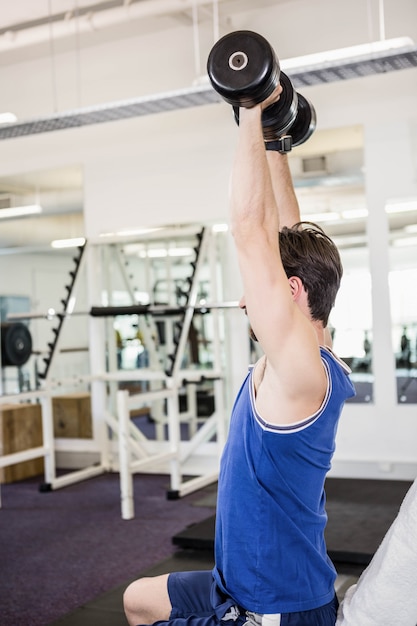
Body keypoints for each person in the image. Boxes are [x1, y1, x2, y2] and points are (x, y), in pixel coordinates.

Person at [123, 84, 356, 626]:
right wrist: (275, 141)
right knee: (138, 600)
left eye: (264, 288)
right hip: (236, 579)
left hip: (276, 605)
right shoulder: (308, 350)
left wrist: (250, 110)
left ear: (291, 292)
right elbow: (281, 230)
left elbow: (251, 232)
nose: (245, 299)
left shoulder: (301, 370)